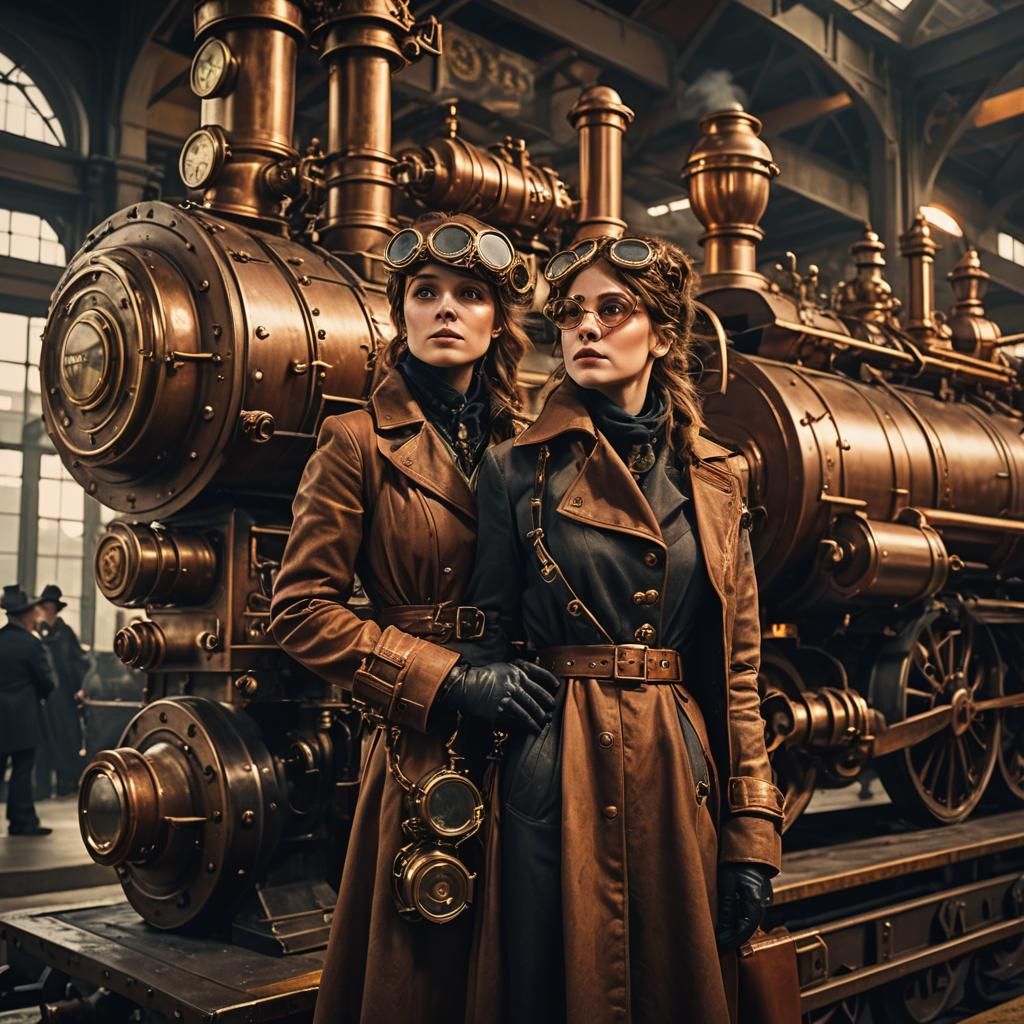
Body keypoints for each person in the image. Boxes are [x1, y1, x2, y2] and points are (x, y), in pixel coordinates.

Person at [452, 235, 785, 1023]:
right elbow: (486, 634)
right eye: (571, 316)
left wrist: (752, 834)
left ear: (663, 336)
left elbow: (738, 673)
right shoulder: (515, 469)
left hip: (675, 765)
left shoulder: (716, 475)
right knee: (556, 985)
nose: (586, 330)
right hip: (554, 764)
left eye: (612, 310)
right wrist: (487, 696)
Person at [271, 212, 559, 1024]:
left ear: (497, 320)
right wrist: (449, 679)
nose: (445, 309)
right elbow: (301, 612)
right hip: (419, 743)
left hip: (532, 732)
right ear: (400, 313)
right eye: (425, 292)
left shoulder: (535, 444)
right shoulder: (354, 441)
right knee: (419, 975)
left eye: (469, 295)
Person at [0, 585, 58, 836]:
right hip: (23, 717)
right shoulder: (31, 645)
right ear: (24, 615)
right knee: (22, 770)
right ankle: (21, 820)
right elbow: (47, 683)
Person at [35, 584, 88, 797]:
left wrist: (81, 687)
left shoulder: (65, 633)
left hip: (64, 694)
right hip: (42, 696)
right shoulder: (35, 633)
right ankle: (42, 786)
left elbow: (79, 661)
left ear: (56, 609)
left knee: (67, 737)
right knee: (43, 740)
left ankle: (67, 781)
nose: (48, 611)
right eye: (45, 607)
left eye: (52, 607)